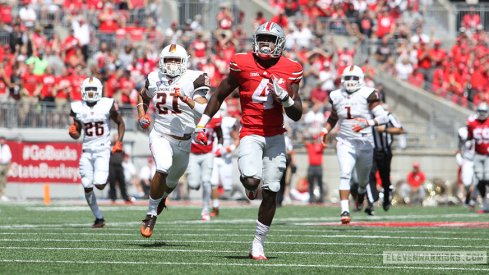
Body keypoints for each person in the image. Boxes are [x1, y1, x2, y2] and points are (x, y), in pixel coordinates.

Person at [194, 21, 303, 260]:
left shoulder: (291, 68)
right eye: (262, 38)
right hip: (251, 132)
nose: (265, 43)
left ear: (280, 43)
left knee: (272, 189)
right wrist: (201, 123)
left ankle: (258, 242)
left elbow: (297, 112)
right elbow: (220, 94)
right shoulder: (241, 63)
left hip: (275, 136)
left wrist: (284, 98)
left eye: (271, 40)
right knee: (252, 181)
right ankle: (250, 186)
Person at [137, 44, 210, 238]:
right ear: (161, 61)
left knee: (170, 183)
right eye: (169, 60)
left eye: (176, 60)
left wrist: (186, 99)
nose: (172, 64)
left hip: (184, 141)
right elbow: (142, 96)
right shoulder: (154, 78)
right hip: (160, 134)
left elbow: (206, 109)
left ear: (184, 62)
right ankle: (150, 215)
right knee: (163, 166)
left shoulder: (195, 78)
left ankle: (160, 200)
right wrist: (142, 114)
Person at [320, 65, 389, 224]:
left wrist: (367, 122)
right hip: (345, 142)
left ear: (361, 79)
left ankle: (361, 193)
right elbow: (334, 117)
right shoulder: (337, 95)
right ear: (343, 79)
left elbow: (383, 118)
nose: (351, 81)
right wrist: (325, 130)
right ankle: (344, 210)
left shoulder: (368, 94)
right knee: (345, 174)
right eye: (348, 78)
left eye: (354, 78)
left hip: (365, 143)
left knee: (363, 180)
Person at [69, 76, 125, 228]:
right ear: (83, 91)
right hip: (86, 150)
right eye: (88, 90)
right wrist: (73, 132)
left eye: (94, 90)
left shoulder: (107, 104)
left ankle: (106, 176)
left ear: (99, 91)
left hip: (102, 148)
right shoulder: (77, 107)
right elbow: (77, 133)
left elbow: (120, 123)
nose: (91, 93)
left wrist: (119, 142)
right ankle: (99, 218)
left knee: (99, 184)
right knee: (87, 185)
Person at [364, 109, 404, 214]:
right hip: (371, 151)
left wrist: (385, 129)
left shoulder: (388, 115)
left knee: (384, 177)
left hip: (385, 151)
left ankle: (386, 198)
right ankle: (371, 202)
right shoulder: (366, 115)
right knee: (369, 175)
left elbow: (400, 130)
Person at [186, 113, 223, 221]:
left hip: (208, 154)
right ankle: (196, 183)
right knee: (193, 184)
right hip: (193, 154)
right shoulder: (191, 116)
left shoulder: (214, 118)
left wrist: (219, 147)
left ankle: (205, 211)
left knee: (207, 182)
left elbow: (220, 135)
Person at [210, 102, 240, 207]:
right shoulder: (209, 120)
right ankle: (215, 206)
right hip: (213, 155)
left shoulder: (229, 122)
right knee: (212, 182)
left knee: (227, 187)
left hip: (225, 157)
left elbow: (237, 139)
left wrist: (227, 150)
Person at [467, 103, 489, 213]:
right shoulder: (472, 123)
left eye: (484, 112)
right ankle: (485, 204)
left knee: (488, 178)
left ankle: (482, 202)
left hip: (488, 155)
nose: (482, 114)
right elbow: (469, 138)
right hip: (478, 155)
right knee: (480, 180)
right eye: (480, 111)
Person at [456, 126, 475, 208]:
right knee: (466, 182)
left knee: (481, 181)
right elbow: (460, 146)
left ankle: (473, 201)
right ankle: (469, 199)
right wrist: (459, 154)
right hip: (468, 160)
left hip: (479, 159)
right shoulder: (464, 133)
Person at [304, 134, 325, 204]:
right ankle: (311, 198)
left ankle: (321, 198)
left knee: (320, 183)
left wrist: (324, 135)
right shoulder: (309, 145)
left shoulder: (320, 146)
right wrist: (304, 135)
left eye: (315, 139)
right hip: (311, 167)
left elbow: (325, 142)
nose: (314, 140)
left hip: (318, 167)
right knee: (311, 183)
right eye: (313, 139)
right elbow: (303, 141)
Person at [0, 136, 12, 202]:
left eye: (3, 140)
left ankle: (2, 195)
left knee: (4, 180)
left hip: (5, 165)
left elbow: (9, 157)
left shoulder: (7, 147)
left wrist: (9, 167)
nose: (2, 141)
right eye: (1, 140)